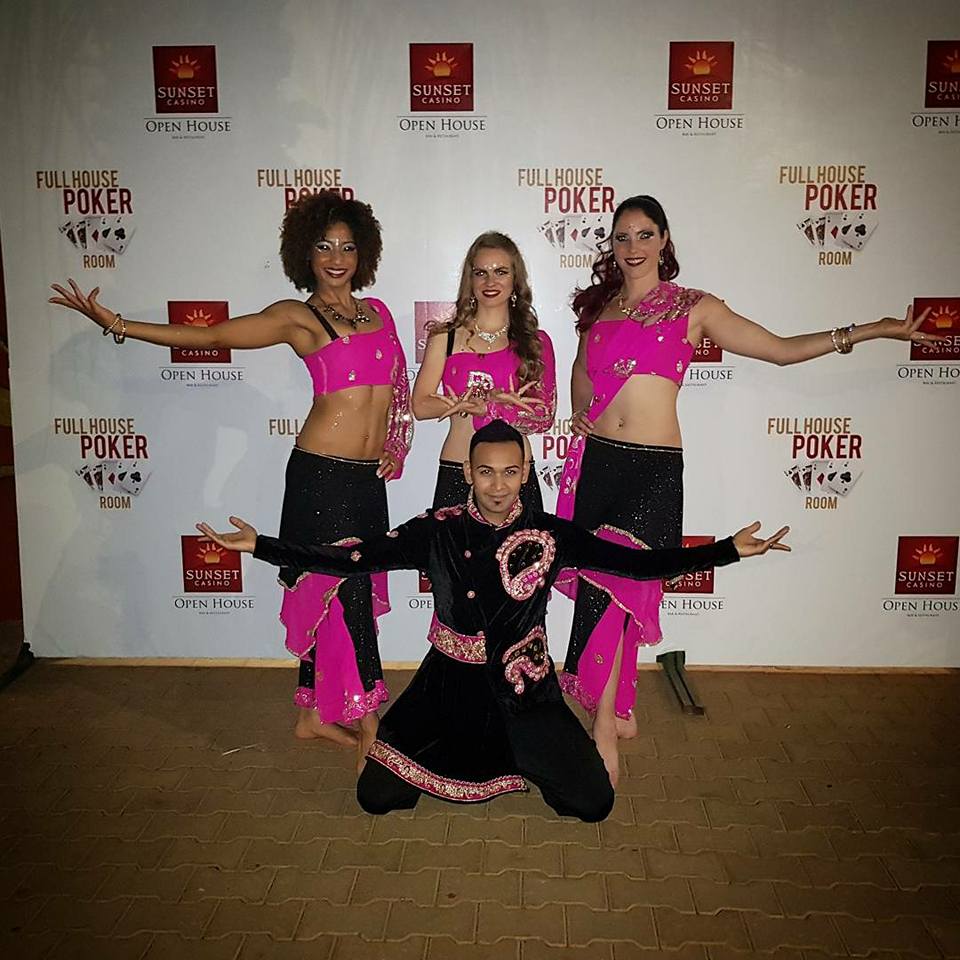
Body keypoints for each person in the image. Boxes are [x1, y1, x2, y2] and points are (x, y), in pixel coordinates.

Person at [198, 420, 790, 817]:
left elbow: (639, 564)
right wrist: (262, 546)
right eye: (486, 472)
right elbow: (354, 558)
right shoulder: (436, 529)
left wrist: (728, 551)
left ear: (527, 472)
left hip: (525, 690)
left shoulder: (552, 535)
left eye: (510, 472)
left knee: (593, 804)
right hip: (443, 687)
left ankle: (523, 752)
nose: (498, 486)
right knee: (375, 797)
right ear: (468, 473)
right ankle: (477, 757)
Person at [556, 193, 939, 785]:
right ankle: (620, 708)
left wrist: (872, 330)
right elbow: (582, 376)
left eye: (645, 234)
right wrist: (581, 413)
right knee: (607, 586)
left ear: (664, 240)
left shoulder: (693, 307)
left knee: (622, 585)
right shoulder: (601, 312)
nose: (633, 247)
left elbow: (781, 350)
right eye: (622, 236)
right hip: (600, 466)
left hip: (653, 471)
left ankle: (602, 726)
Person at [49, 191, 413, 763]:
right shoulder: (298, 317)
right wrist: (118, 324)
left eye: (347, 247)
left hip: (367, 482)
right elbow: (214, 336)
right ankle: (371, 729)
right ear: (306, 253)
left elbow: (398, 388)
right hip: (321, 479)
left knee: (342, 587)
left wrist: (396, 443)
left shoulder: (381, 314)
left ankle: (310, 718)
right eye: (324, 247)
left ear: (362, 252)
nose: (336, 258)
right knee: (348, 594)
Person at [412, 232, 556, 510]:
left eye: (500, 272)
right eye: (481, 273)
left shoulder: (536, 342)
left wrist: (490, 408)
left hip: (515, 475)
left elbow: (543, 416)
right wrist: (471, 402)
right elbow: (420, 406)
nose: (490, 282)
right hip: (459, 468)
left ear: (515, 279)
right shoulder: (445, 337)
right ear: (470, 280)